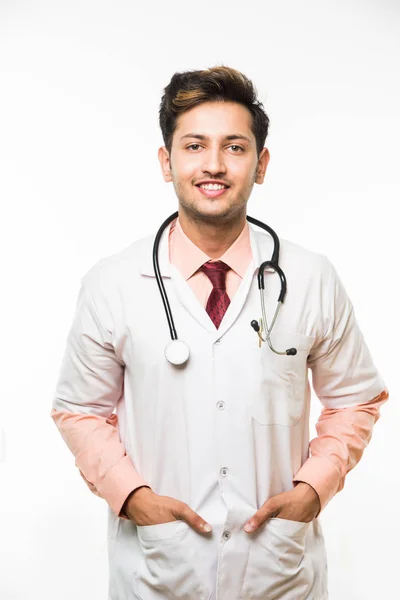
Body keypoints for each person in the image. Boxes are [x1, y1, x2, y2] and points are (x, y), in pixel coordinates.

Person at [51, 65, 388, 600]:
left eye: (234, 147)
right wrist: (132, 495)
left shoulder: (310, 278)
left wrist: (312, 489)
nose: (213, 165)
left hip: (278, 572)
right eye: (194, 146)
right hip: (158, 570)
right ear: (167, 162)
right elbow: (80, 410)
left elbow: (356, 398)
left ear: (261, 164)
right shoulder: (112, 283)